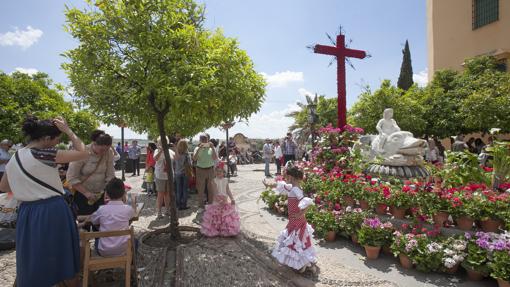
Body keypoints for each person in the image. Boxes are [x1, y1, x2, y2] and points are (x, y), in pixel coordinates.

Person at [0, 116, 88, 287]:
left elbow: (4, 186)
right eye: (56, 139)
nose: (56, 144)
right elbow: (83, 152)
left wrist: (27, 187)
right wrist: (68, 130)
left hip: (27, 212)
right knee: (62, 257)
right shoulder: (44, 154)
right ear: (47, 138)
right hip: (52, 210)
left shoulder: (15, 156)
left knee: (33, 257)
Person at [266, 164, 317, 273]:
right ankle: (301, 262)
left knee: (296, 240)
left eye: (287, 177)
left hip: (296, 220)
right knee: (297, 240)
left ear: (292, 178)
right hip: (294, 219)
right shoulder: (293, 188)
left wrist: (300, 214)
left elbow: (307, 203)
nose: (286, 179)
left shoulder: (296, 190)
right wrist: (269, 185)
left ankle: (302, 262)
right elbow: (281, 186)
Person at [67, 130, 115, 215]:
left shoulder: (109, 152)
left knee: (100, 223)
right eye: (102, 149)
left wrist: (108, 191)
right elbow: (71, 177)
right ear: (94, 144)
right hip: (82, 194)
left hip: (100, 193)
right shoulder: (82, 152)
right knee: (85, 223)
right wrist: (86, 193)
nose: (104, 152)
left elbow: (110, 174)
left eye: (106, 149)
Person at [88, 178, 136, 256]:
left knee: (97, 238)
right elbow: (133, 214)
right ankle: (130, 263)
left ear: (107, 194)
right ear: (124, 193)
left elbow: (93, 221)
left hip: (104, 250)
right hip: (124, 248)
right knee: (135, 241)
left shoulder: (102, 210)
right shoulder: (127, 209)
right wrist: (132, 201)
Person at [200, 162, 240, 237]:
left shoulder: (225, 180)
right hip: (217, 200)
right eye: (217, 171)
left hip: (225, 200)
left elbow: (228, 190)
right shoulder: (214, 181)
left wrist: (232, 198)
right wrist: (218, 199)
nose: (219, 173)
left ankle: (224, 230)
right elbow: (215, 191)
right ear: (215, 172)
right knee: (216, 216)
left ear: (223, 172)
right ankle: (216, 229)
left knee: (225, 215)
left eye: (220, 171)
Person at [193, 134, 218, 209]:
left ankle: (210, 205)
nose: (204, 141)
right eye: (202, 140)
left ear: (208, 140)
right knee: (200, 189)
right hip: (200, 169)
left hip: (210, 169)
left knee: (211, 188)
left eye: (205, 140)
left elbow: (215, 158)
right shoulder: (197, 148)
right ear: (200, 140)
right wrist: (199, 149)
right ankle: (201, 206)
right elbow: (194, 159)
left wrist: (213, 148)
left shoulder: (211, 148)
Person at [154, 136, 175, 218]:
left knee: (167, 194)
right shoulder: (157, 150)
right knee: (160, 194)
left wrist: (175, 148)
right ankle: (159, 212)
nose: (164, 143)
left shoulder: (170, 151)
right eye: (162, 142)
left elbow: (176, 158)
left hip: (169, 176)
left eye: (165, 142)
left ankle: (167, 210)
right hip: (160, 175)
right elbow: (155, 159)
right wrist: (161, 150)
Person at [174, 139, 192, 210]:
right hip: (185, 173)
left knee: (178, 189)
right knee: (185, 189)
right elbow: (190, 164)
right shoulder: (187, 154)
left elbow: (174, 162)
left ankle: (178, 205)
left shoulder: (176, 153)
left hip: (177, 173)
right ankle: (183, 205)